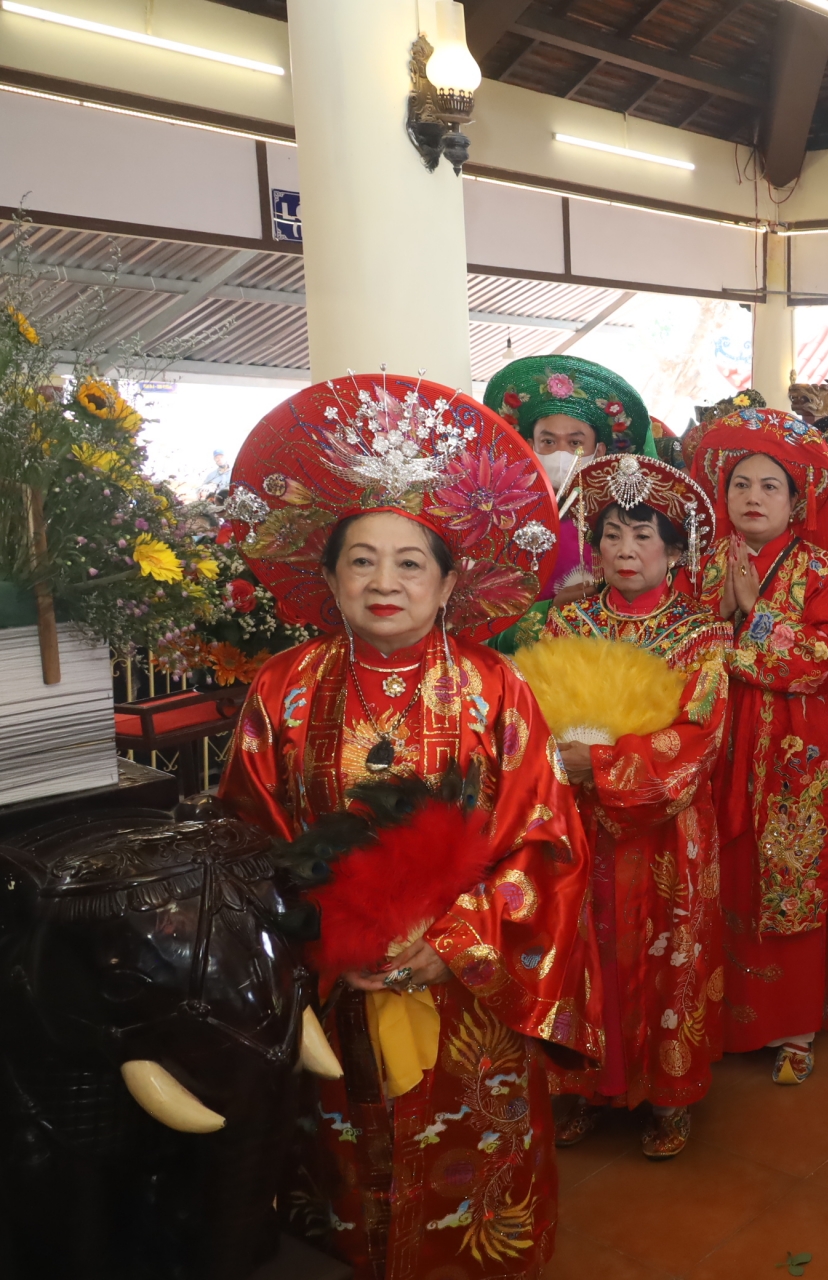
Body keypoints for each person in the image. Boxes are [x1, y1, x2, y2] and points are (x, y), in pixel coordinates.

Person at [219, 375, 595, 1280]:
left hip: (468, 991)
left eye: (410, 562)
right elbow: (245, 836)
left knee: (470, 1168)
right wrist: (319, 932)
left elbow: (545, 841)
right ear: (329, 575)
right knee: (333, 1171)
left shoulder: (495, 690)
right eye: (361, 560)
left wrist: (454, 938)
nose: (384, 582)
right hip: (328, 987)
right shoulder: (284, 686)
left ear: (451, 579)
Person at [538, 455, 729, 1159]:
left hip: (666, 833)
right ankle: (583, 1085)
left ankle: (666, 1096)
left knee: (664, 956)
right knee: (584, 954)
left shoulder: (704, 635)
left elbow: (698, 737)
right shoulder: (568, 623)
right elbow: (536, 715)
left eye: (643, 536)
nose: (624, 550)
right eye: (612, 533)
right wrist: (565, 760)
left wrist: (608, 764)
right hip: (580, 823)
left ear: (676, 551)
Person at [684, 408, 828, 1085]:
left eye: (770, 486)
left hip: (796, 751)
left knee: (788, 874)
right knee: (722, 869)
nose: (753, 498)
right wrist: (723, 620)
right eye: (741, 484)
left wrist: (754, 619)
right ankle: (725, 1014)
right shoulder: (704, 565)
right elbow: (682, 647)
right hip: (718, 741)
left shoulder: (820, 566)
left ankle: (792, 1027)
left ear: (798, 502)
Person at [484, 355, 655, 647]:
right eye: (548, 442)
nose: (561, 454)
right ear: (531, 447)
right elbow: (484, 630)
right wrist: (549, 612)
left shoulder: (623, 525)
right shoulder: (501, 524)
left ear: (599, 451)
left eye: (575, 443)